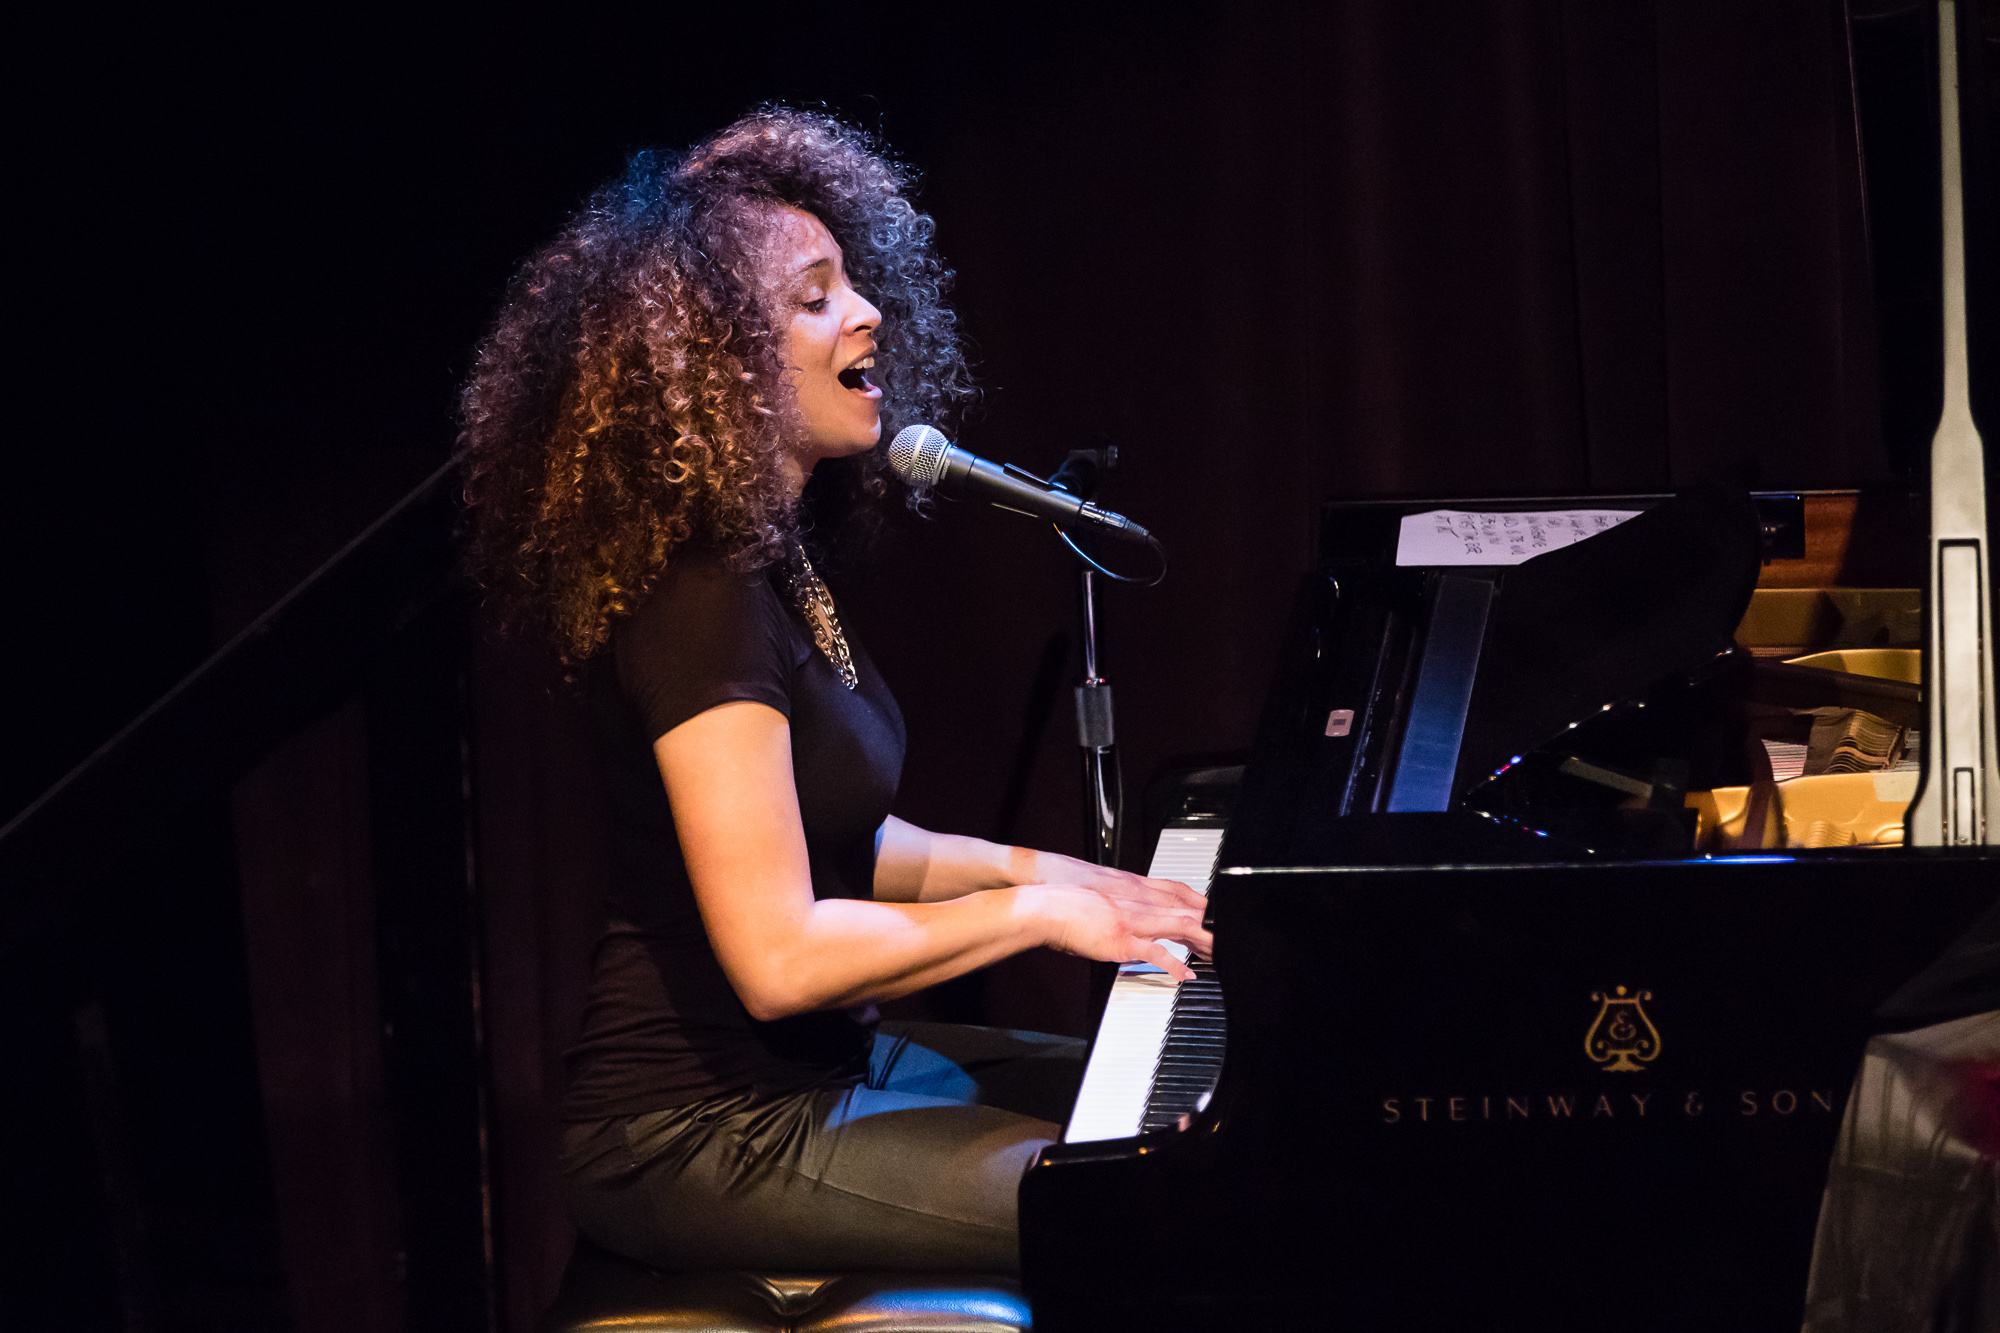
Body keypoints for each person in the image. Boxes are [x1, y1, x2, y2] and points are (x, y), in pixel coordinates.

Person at [458, 109, 1209, 1275]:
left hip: (827, 1068)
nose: (864, 313)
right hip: (697, 1129)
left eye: (852, 282)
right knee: (1158, 1212)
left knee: (1213, 1103)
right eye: (813, 298)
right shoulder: (694, 594)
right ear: (713, 362)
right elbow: (777, 954)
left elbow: (849, 834)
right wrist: (1035, 920)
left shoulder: (766, 553)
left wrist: (1053, 872)